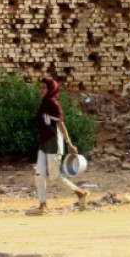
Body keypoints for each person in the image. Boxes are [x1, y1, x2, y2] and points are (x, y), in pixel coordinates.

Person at [27, 77, 89, 215]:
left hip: (54, 142)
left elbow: (61, 124)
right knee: (39, 174)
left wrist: (69, 143)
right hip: (43, 143)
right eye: (40, 87)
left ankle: (80, 193)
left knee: (54, 176)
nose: (41, 90)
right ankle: (42, 206)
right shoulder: (43, 103)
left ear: (51, 89)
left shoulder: (53, 104)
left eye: (44, 88)